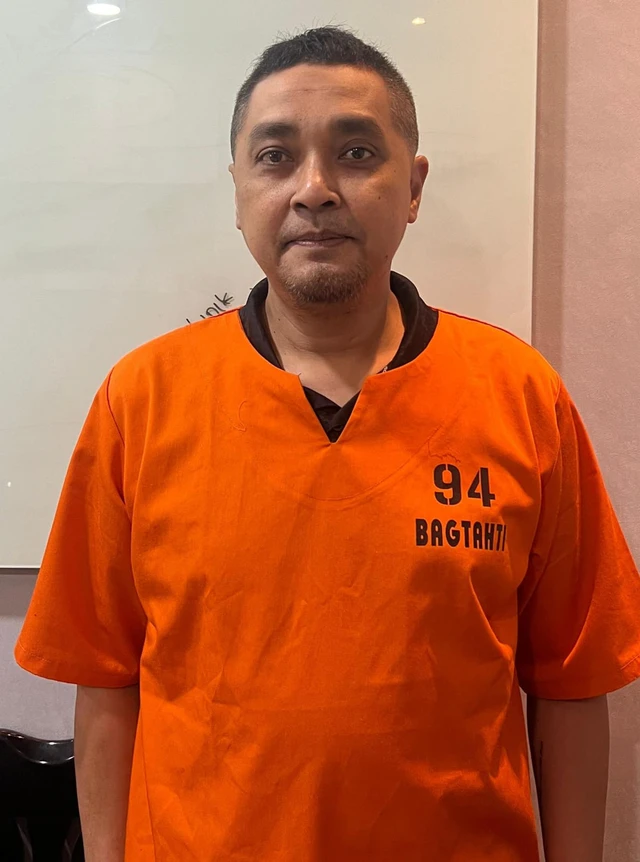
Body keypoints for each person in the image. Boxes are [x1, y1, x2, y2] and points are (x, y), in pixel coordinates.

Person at [14, 24, 640, 862]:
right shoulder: (142, 399)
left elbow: (571, 681)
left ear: (412, 186)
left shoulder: (522, 396)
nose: (314, 189)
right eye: (276, 157)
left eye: (356, 153)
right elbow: (105, 679)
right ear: (238, 189)